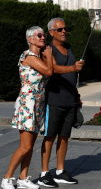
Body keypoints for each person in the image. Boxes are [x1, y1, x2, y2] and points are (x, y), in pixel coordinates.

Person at [1, 27, 53, 189]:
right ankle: (7, 178)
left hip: (37, 104)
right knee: (25, 146)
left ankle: (23, 178)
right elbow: (49, 71)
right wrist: (49, 56)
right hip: (27, 105)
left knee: (30, 145)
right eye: (39, 35)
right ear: (30, 39)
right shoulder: (28, 56)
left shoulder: (39, 57)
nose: (43, 37)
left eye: (43, 35)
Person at [39, 17, 83, 188]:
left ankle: (60, 171)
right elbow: (54, 69)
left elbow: (72, 75)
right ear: (51, 32)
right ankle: (44, 173)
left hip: (70, 99)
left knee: (64, 137)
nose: (64, 31)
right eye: (60, 29)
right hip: (54, 100)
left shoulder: (69, 48)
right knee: (50, 137)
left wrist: (77, 95)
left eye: (65, 28)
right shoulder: (47, 49)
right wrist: (73, 68)